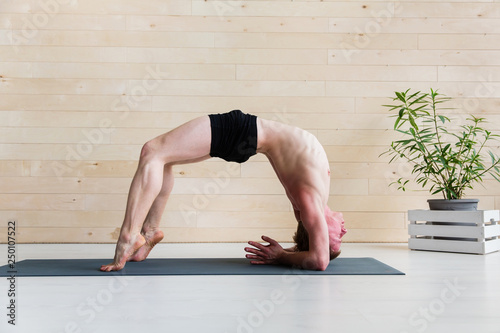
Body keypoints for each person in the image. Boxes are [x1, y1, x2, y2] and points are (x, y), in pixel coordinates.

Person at [100, 110, 346, 272]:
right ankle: (150, 231)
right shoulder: (315, 200)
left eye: (336, 239)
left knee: (152, 152)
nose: (344, 231)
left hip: (243, 131)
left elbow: (319, 259)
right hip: (248, 135)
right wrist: (294, 250)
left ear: (317, 230)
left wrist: (282, 256)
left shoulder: (308, 204)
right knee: (162, 157)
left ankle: (129, 236)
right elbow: (315, 251)